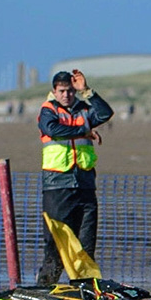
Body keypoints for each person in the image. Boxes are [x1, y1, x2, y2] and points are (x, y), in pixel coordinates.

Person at [36, 69, 113, 285]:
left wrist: (87, 91)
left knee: (86, 244)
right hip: (57, 185)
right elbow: (52, 129)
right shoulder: (48, 110)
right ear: (54, 91)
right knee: (56, 243)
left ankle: (85, 289)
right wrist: (83, 132)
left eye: (70, 91)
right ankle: (45, 288)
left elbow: (105, 114)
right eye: (62, 91)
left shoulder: (83, 110)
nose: (67, 95)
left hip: (85, 185)